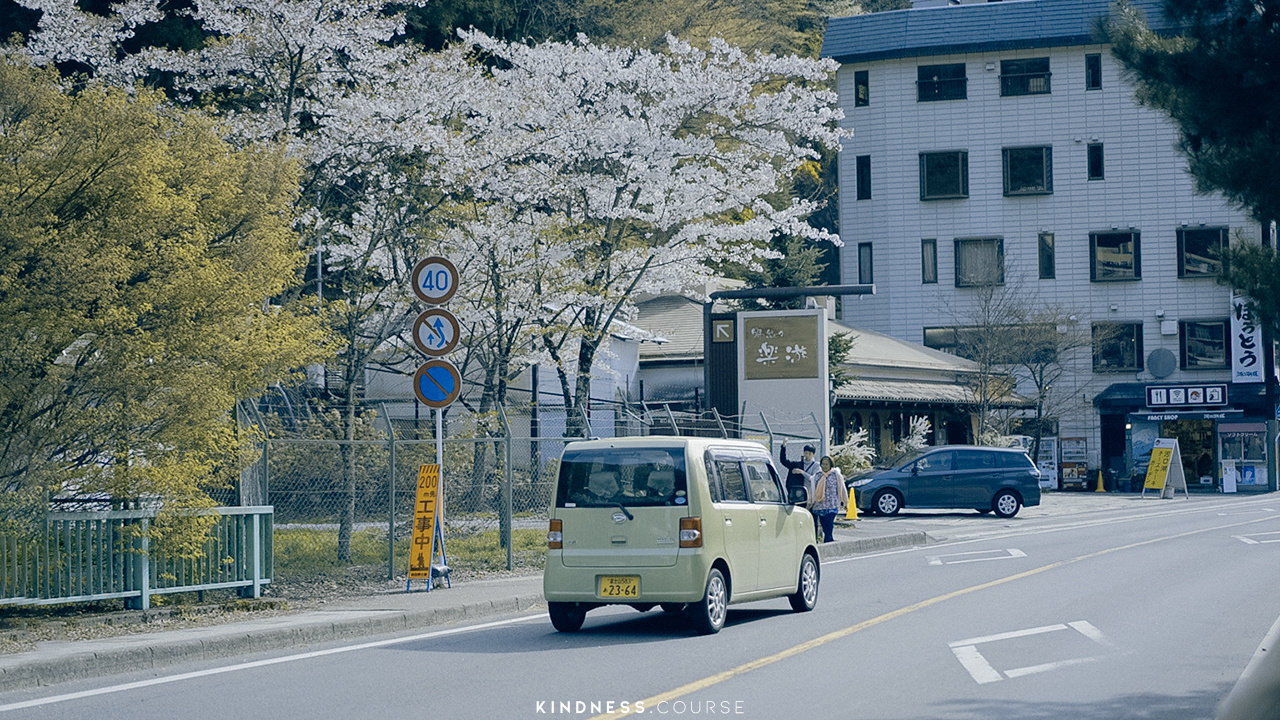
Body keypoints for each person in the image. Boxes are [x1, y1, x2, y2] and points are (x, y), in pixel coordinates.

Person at [810, 455, 847, 543]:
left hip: (832, 505)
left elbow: (842, 488)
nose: (824, 466)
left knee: (829, 523)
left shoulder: (836, 475)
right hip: (820, 505)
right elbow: (812, 490)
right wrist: (810, 502)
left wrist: (845, 502)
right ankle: (827, 539)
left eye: (826, 464)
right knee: (824, 525)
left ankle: (829, 539)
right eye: (823, 464)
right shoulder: (817, 475)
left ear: (830, 465)